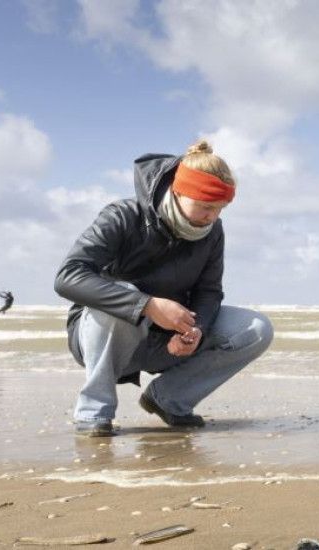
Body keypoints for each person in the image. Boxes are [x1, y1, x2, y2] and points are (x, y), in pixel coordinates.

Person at [55, 139, 274, 438]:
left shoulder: (213, 232)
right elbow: (68, 276)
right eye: (205, 206)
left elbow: (209, 292)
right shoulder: (122, 216)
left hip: (168, 343)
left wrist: (196, 329)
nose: (212, 217)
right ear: (178, 190)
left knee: (257, 329)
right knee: (123, 295)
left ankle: (169, 399)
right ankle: (94, 412)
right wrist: (146, 305)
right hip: (106, 339)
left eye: (220, 209)